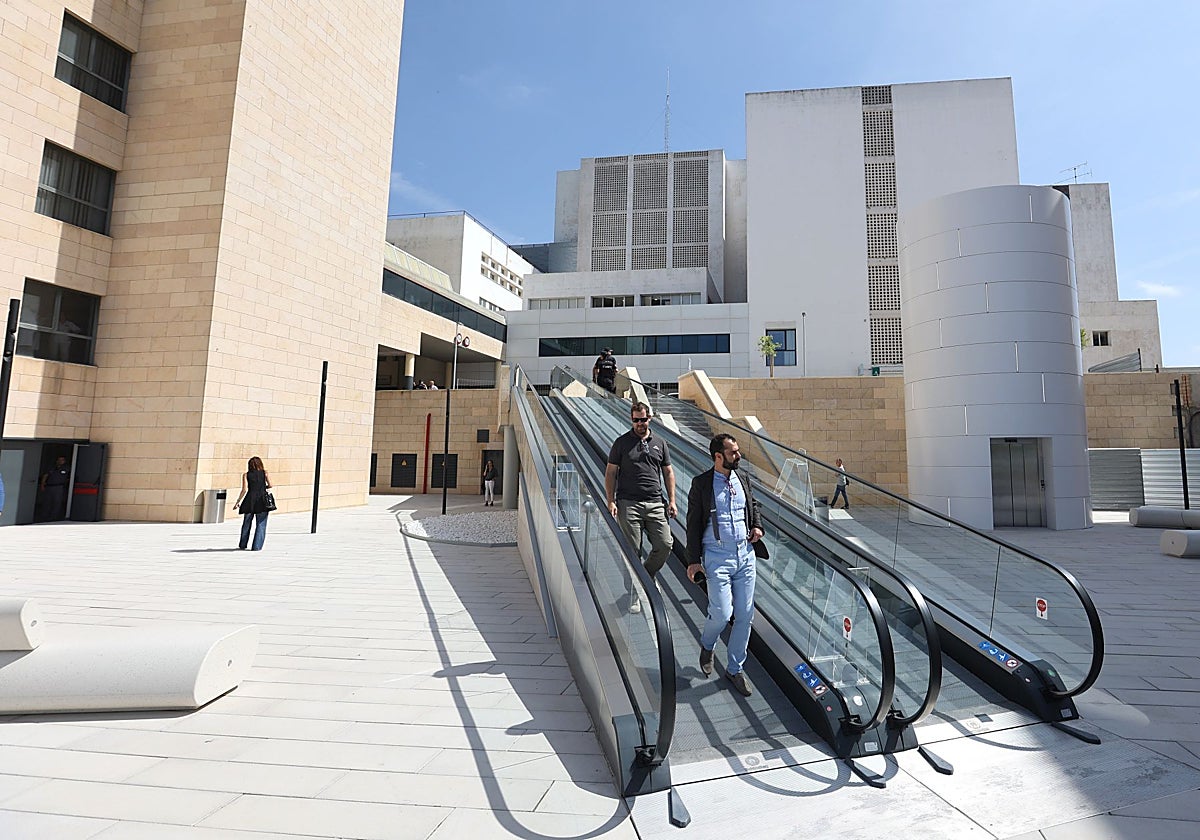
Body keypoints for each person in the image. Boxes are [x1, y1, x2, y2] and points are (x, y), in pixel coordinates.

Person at [686, 433, 765, 698]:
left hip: (745, 554)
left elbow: (752, 504)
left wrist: (757, 526)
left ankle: (735, 668)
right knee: (721, 612)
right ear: (718, 456)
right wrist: (693, 561)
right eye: (733, 452)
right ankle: (707, 645)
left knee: (744, 614)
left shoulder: (742, 478)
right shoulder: (702, 484)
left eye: (738, 451)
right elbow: (693, 523)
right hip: (716, 557)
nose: (738, 455)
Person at [606, 402, 676, 614]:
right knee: (632, 551)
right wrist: (611, 500)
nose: (639, 424)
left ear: (650, 418)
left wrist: (672, 500)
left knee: (665, 544)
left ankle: (645, 577)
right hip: (628, 503)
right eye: (635, 420)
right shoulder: (621, 443)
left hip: (656, 502)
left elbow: (668, 472)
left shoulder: (660, 443)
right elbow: (610, 473)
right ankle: (634, 593)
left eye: (643, 419)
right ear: (631, 420)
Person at [233, 456, 273, 551]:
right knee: (261, 524)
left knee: (246, 524)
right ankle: (256, 547)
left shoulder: (246, 475)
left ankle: (243, 544)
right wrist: (263, 487)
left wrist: (238, 501)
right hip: (262, 501)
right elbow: (271, 485)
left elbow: (244, 490)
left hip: (249, 500)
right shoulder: (265, 473)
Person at [39, 455, 71, 521]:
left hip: (59, 487)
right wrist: (42, 485)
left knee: (57, 502)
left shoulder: (67, 468)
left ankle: (54, 517)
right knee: (47, 502)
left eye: (62, 460)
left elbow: (69, 477)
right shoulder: (51, 467)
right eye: (59, 460)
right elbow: (45, 475)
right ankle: (44, 516)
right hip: (49, 486)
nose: (60, 461)